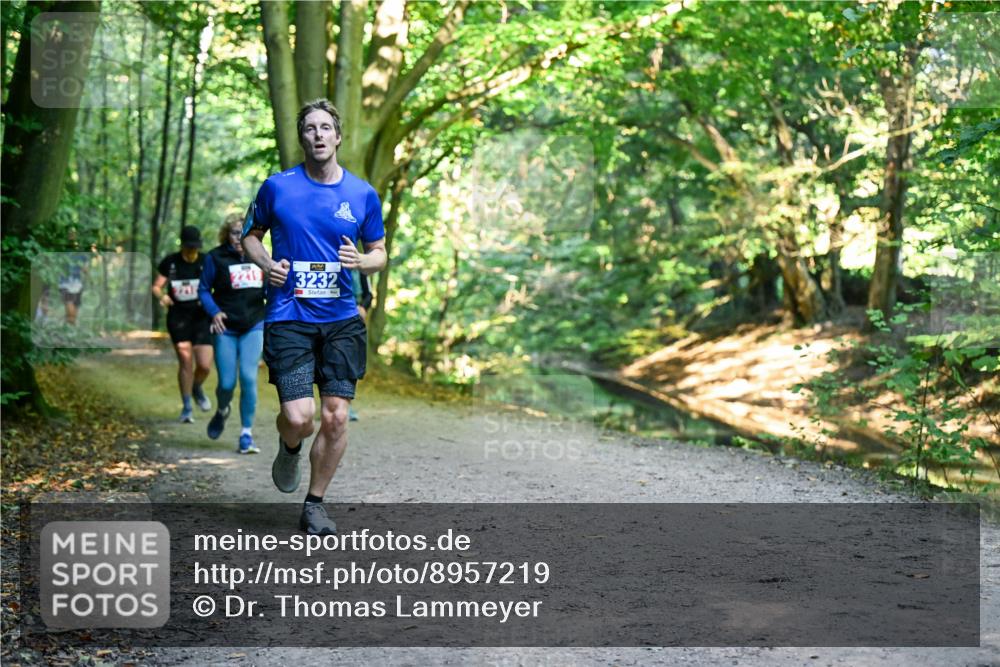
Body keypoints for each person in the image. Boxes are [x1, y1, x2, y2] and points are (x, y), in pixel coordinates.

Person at [242, 98, 386, 535]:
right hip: (289, 314)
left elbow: (380, 252)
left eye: (326, 128)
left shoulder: (362, 193)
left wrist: (364, 262)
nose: (319, 135)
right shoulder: (277, 187)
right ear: (301, 138)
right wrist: (267, 266)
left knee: (336, 415)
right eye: (310, 129)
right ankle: (289, 447)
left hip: (342, 317)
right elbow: (250, 238)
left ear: (338, 137)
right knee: (301, 417)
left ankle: (315, 503)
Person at [198, 214, 267, 454]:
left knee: (248, 378)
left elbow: (273, 286)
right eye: (234, 233)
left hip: (254, 324)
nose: (239, 238)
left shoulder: (260, 256)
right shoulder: (215, 257)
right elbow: (204, 290)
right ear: (226, 235)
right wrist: (214, 312)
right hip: (225, 327)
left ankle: (246, 434)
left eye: (243, 232)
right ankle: (222, 410)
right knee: (227, 383)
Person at [152, 226, 214, 423]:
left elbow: (218, 284)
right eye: (189, 247)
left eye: (195, 247)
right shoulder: (171, 262)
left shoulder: (206, 261)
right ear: (183, 246)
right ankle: (187, 406)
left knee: (204, 365)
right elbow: (156, 286)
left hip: (201, 317)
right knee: (185, 361)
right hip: (178, 317)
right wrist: (163, 297)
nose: (192, 251)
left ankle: (196, 387)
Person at [347, 268, 372, 422]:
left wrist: (363, 307)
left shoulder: (360, 268)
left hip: (354, 320)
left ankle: (346, 404)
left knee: (349, 363)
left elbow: (369, 294)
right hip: (330, 316)